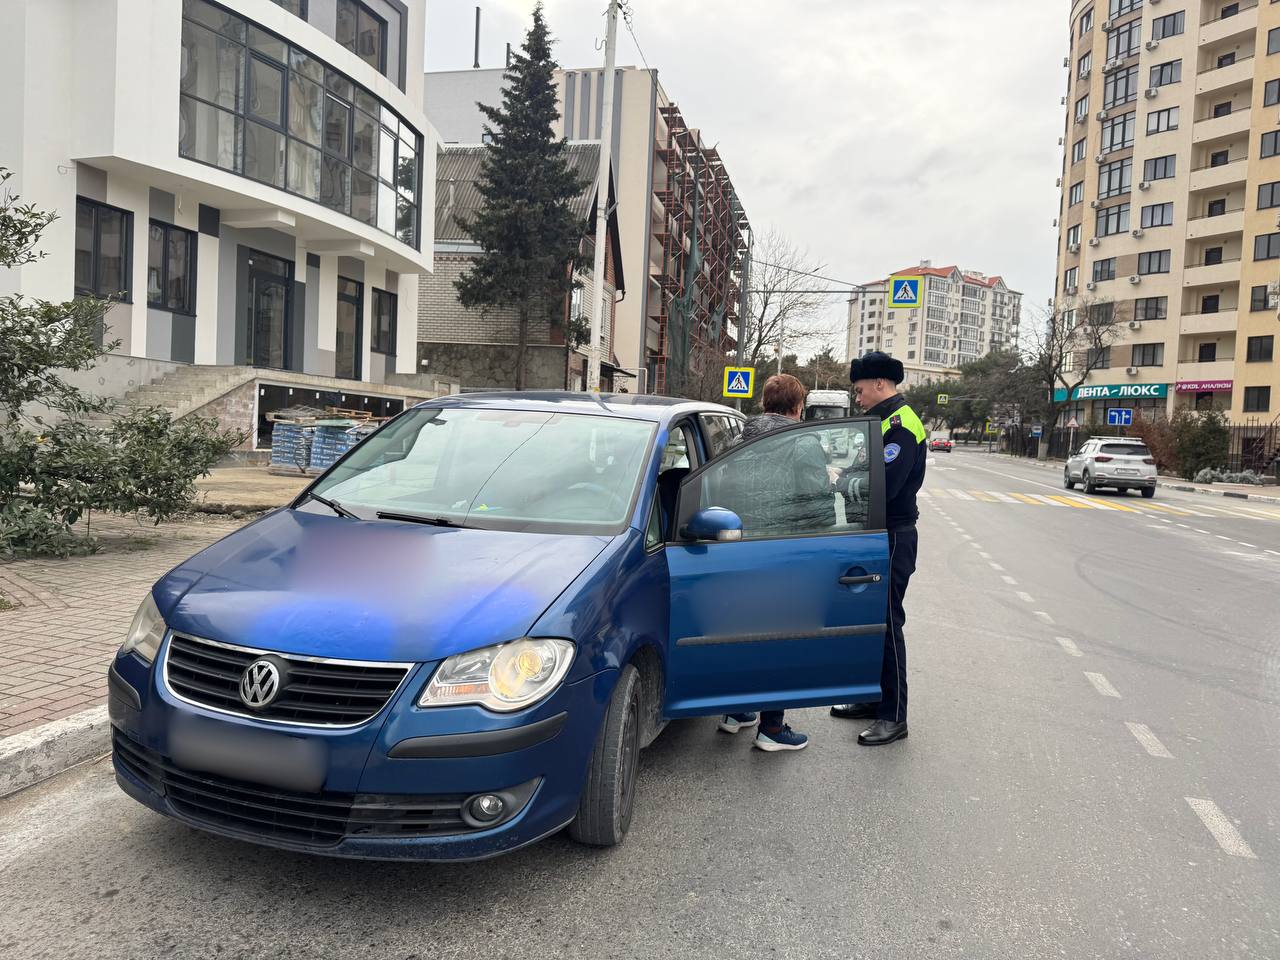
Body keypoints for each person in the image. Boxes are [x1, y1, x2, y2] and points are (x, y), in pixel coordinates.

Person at [716, 373, 832, 752]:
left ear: (765, 403)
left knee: (743, 631)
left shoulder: (738, 438)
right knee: (781, 636)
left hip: (739, 549)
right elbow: (817, 500)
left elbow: (719, 489)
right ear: (798, 407)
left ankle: (736, 712)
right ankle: (773, 728)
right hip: (784, 552)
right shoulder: (802, 441)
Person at [830, 351, 925, 746]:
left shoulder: (902, 426)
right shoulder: (882, 421)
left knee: (887, 624)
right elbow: (862, 470)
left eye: (860, 389)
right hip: (875, 534)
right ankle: (873, 698)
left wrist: (841, 483)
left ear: (880, 384)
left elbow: (885, 485)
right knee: (871, 621)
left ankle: (894, 715)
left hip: (892, 536)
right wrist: (848, 477)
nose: (858, 397)